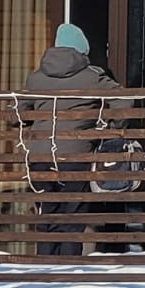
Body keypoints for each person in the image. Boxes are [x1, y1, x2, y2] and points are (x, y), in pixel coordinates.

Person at [22, 23, 121, 257]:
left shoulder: (35, 78)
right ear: (82, 49)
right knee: (72, 216)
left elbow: (16, 111)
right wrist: (111, 129)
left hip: (40, 156)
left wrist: (31, 123)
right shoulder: (93, 77)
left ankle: (44, 268)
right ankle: (67, 268)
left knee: (47, 214)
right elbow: (124, 101)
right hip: (76, 154)